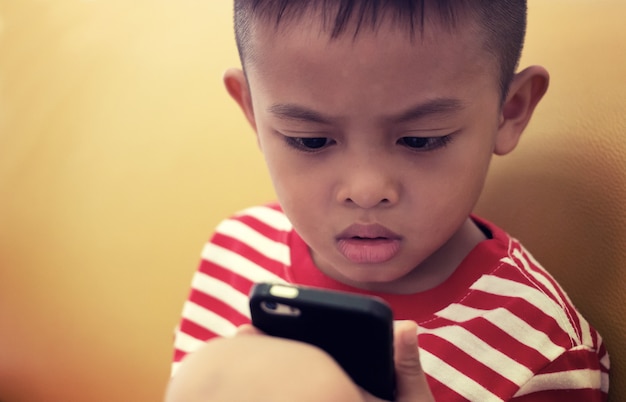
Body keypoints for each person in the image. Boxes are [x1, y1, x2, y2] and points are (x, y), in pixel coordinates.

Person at [166, 0, 610, 400]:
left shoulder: (542, 351)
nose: (365, 190)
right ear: (251, 110)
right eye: (311, 140)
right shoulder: (235, 251)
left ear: (509, 111)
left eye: (420, 140)